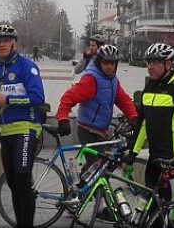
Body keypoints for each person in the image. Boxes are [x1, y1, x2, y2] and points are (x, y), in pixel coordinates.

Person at [124, 43, 174, 226]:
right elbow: (142, 123)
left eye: (155, 62)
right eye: (148, 62)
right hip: (154, 159)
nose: (150, 67)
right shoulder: (149, 88)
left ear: (168, 64)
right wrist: (133, 152)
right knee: (152, 212)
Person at [56, 44, 137, 221]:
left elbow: (122, 98)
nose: (109, 66)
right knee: (99, 168)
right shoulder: (91, 80)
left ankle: (76, 194)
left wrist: (133, 116)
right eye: (106, 63)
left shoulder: (112, 79)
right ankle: (98, 208)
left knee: (99, 166)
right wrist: (62, 118)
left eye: (113, 63)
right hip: (88, 129)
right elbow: (69, 96)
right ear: (99, 62)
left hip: (101, 130)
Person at [0, 24, 46, 228]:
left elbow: (38, 98)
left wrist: (8, 100)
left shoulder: (27, 66)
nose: (2, 44)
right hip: (5, 131)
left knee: (22, 180)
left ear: (14, 43)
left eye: (6, 40)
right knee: (13, 183)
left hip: (26, 129)